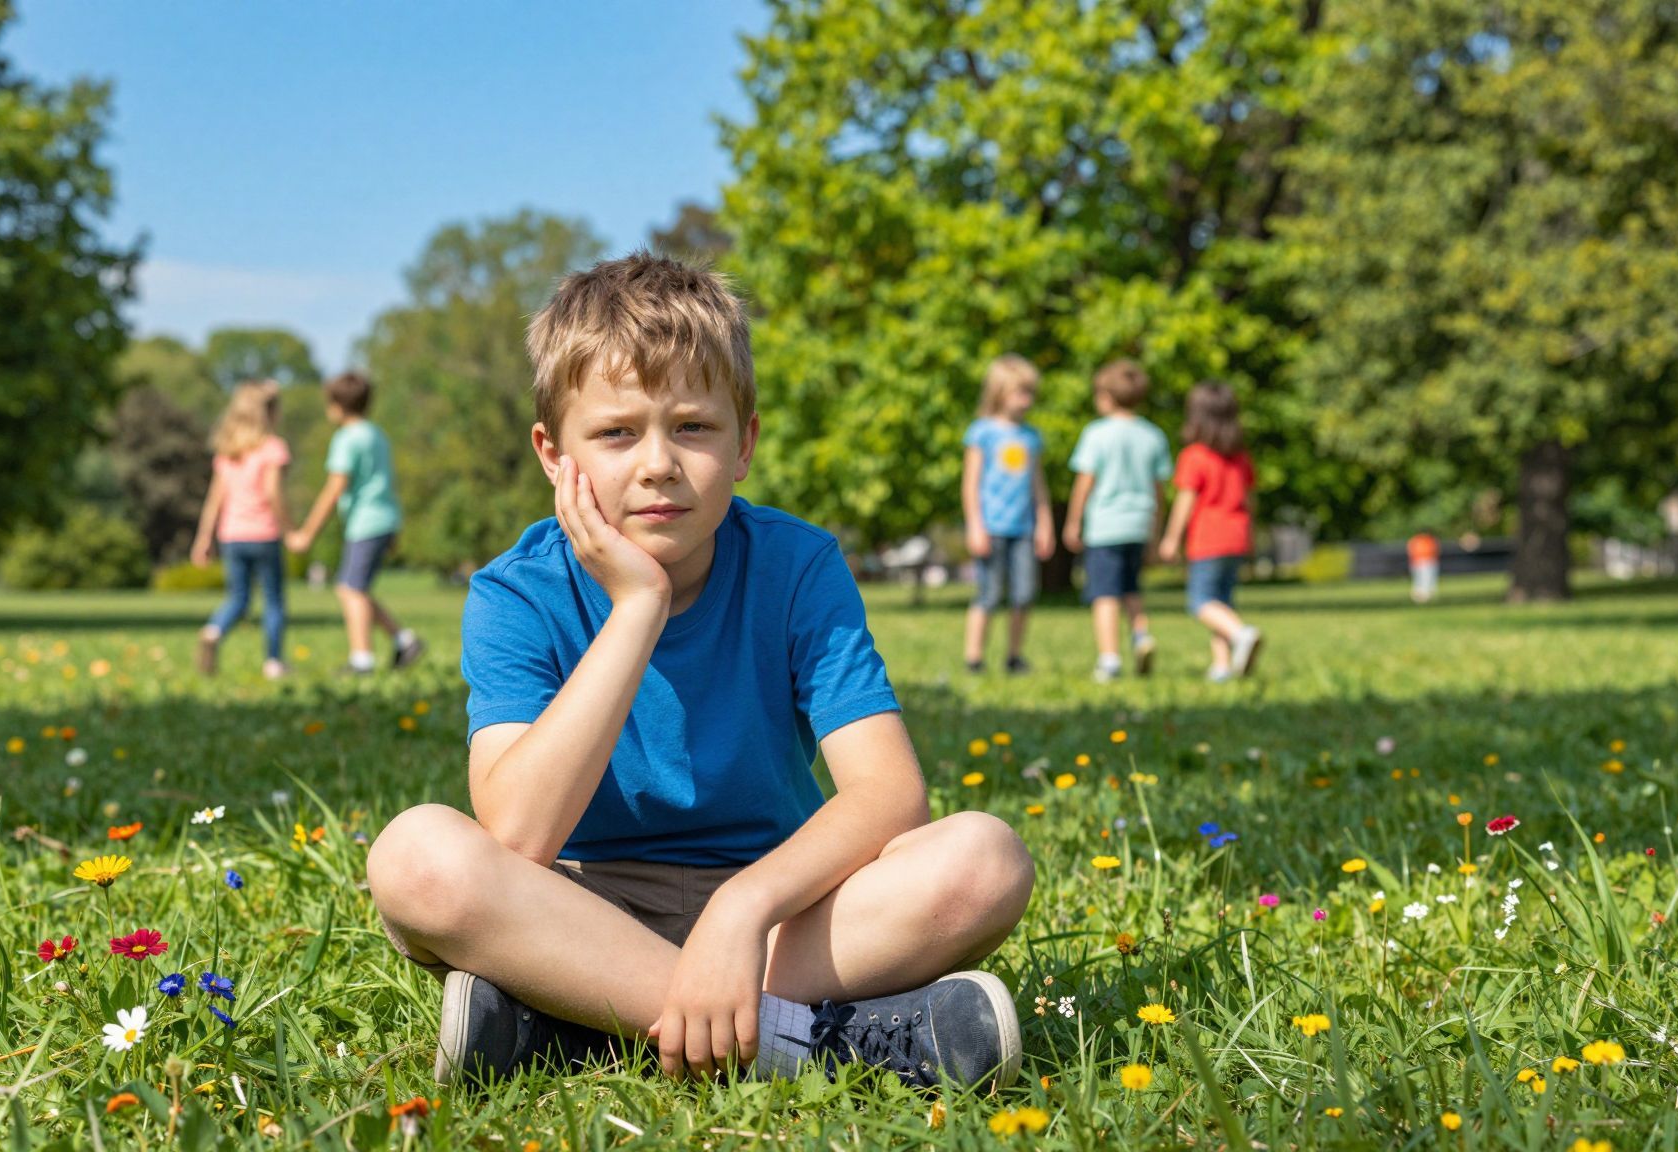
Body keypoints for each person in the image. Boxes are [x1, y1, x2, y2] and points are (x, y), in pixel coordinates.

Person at [365, 254, 1033, 1094]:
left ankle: (577, 1026)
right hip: (580, 912)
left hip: (781, 915)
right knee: (416, 859)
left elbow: (890, 794)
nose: (657, 464)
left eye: (692, 427)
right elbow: (519, 834)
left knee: (985, 859)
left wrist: (740, 911)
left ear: (744, 441)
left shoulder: (797, 565)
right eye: (615, 433)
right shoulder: (515, 593)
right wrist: (636, 608)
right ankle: (805, 1043)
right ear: (552, 453)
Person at [286, 371, 424, 674]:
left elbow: (334, 488)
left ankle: (362, 659)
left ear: (336, 405)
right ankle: (404, 639)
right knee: (355, 587)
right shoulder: (376, 434)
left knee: (350, 589)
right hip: (385, 519)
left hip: (366, 522)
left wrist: (307, 533)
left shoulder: (347, 438)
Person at [1062, 360, 1170, 682]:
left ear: (1106, 397)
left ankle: (1109, 658)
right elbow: (1159, 490)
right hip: (1138, 524)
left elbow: (1085, 482)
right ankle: (1140, 635)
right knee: (1131, 587)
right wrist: (1156, 530)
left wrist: (1072, 522)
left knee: (1105, 593)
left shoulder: (1096, 433)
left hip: (1106, 526)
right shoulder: (1153, 436)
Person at [1158, 382, 1264, 682]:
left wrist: (1170, 539)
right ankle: (1222, 665)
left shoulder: (1195, 456)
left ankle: (1241, 634)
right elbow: (1250, 500)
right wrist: (1252, 537)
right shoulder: (1241, 458)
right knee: (1222, 602)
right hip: (1237, 536)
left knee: (1201, 602)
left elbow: (1185, 502)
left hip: (1209, 538)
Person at [960, 355, 1054, 675]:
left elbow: (1038, 487)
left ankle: (1014, 656)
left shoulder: (1031, 437)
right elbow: (970, 485)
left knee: (1024, 595)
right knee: (988, 595)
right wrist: (975, 526)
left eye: (1030, 393)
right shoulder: (981, 432)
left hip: (1023, 529)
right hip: (991, 527)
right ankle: (974, 658)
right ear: (999, 392)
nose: (1027, 400)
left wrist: (1045, 524)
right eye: (1020, 392)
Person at [192, 380, 291, 681]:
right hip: (264, 533)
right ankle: (274, 662)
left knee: (238, 598)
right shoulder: (272, 448)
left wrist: (203, 539)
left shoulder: (228, 452)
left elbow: (214, 500)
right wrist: (289, 529)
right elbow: (273, 493)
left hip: (232, 535)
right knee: (273, 600)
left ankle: (213, 630)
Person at [1408, 531, 1441, 603]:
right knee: (1420, 580)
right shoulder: (1416, 540)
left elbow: (1435, 550)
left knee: (1429, 580)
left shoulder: (1431, 540)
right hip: (1419, 561)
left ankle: (1427, 596)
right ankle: (1420, 596)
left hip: (1429, 561)